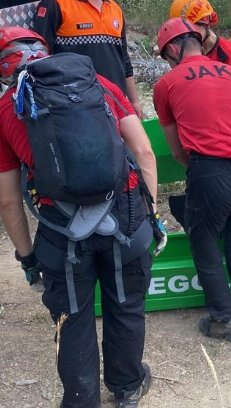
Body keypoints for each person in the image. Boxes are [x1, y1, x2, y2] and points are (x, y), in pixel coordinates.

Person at [0, 27, 157, 408]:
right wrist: (150, 216)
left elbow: (8, 200)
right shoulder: (97, 83)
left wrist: (27, 257)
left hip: (61, 227)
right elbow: (144, 151)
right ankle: (127, 387)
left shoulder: (5, 108)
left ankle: (81, 399)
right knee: (126, 304)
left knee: (71, 318)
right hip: (124, 213)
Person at [153, 18, 231, 342]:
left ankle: (225, 319)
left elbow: (177, 150)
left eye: (166, 55)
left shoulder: (166, 85)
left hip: (210, 170)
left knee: (204, 242)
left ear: (174, 48)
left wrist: (203, 167)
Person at [33, 0, 144, 118]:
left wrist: (134, 101)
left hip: (116, 105)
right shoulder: (55, 3)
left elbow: (124, 60)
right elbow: (39, 60)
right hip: (76, 108)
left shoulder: (115, 9)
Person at [168, 0, 231, 66]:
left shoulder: (227, 53)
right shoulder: (184, 54)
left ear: (205, 21)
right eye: (184, 32)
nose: (189, 35)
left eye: (193, 28)